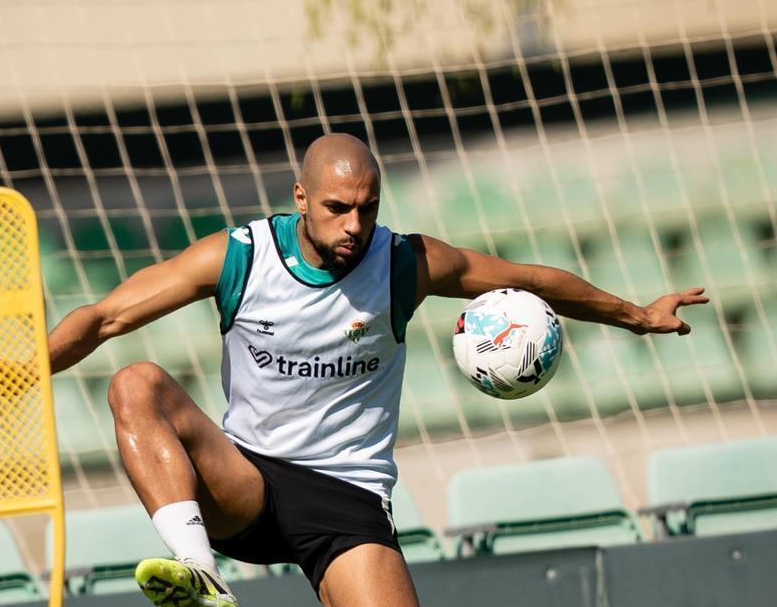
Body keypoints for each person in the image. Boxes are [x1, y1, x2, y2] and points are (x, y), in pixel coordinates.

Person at [45, 133, 708, 607]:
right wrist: (24, 369)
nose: (355, 224)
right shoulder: (240, 258)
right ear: (301, 197)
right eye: (337, 207)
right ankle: (199, 573)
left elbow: (529, 279)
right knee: (135, 383)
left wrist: (636, 316)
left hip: (347, 495)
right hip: (245, 478)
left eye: (368, 207)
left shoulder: (402, 264)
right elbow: (103, 318)